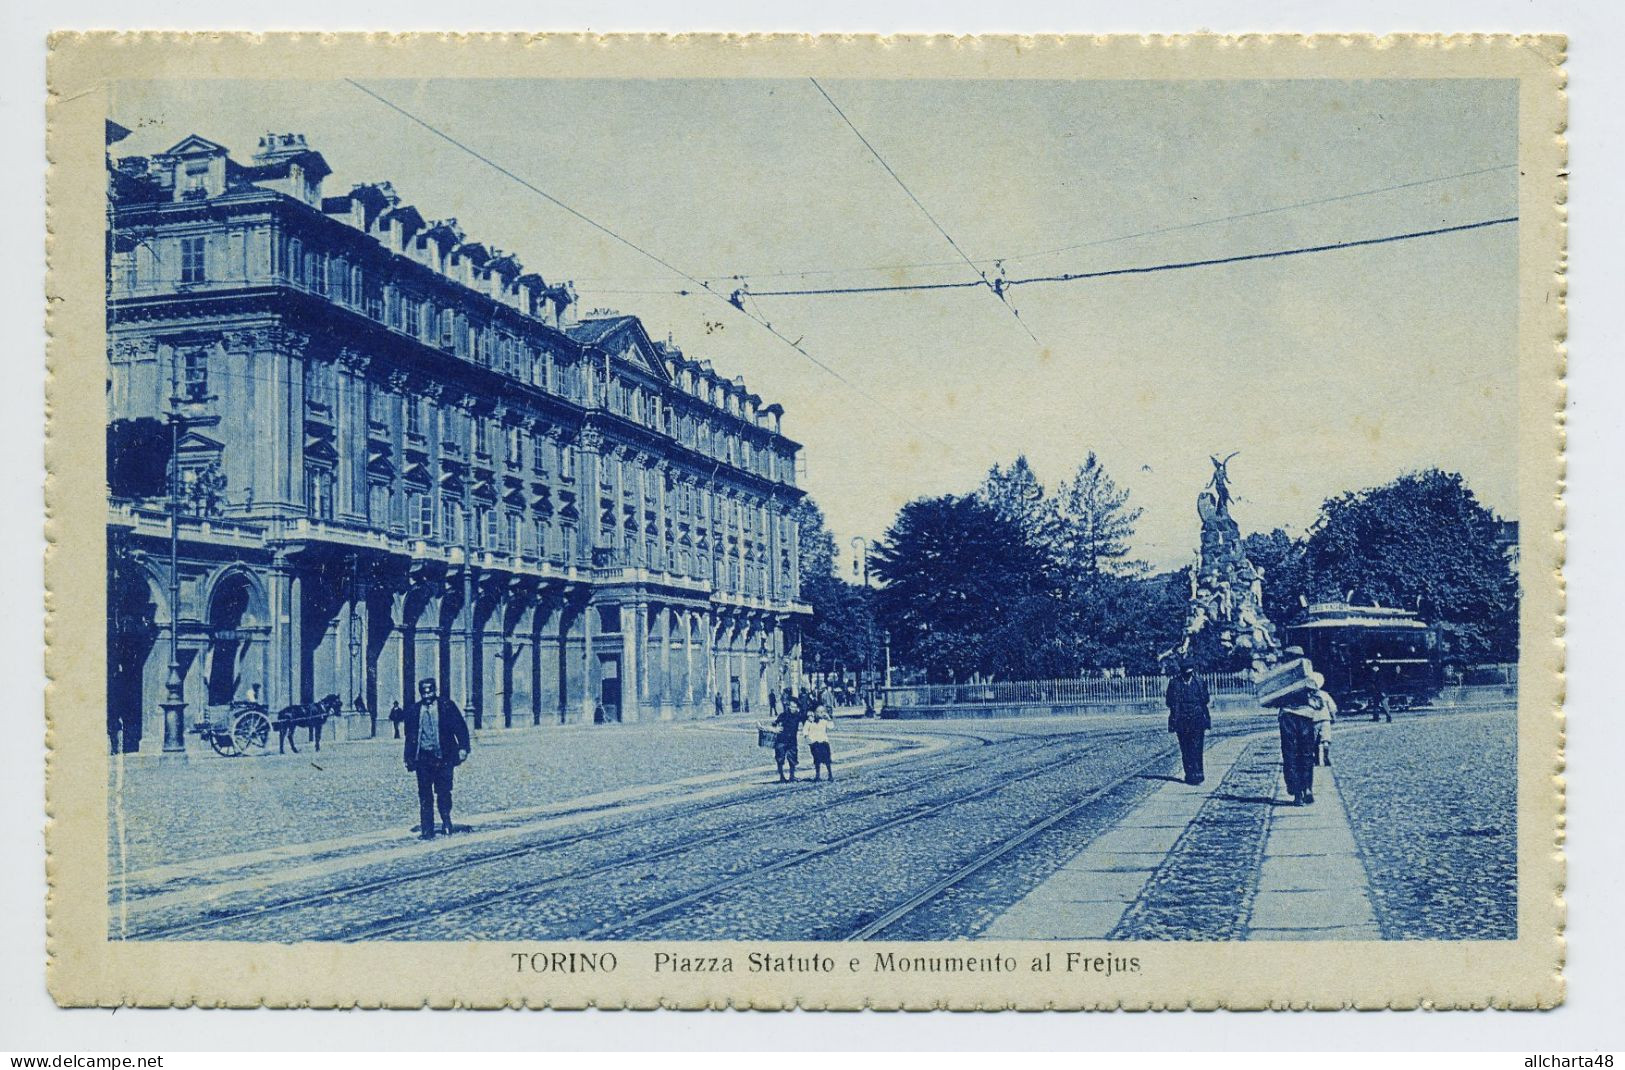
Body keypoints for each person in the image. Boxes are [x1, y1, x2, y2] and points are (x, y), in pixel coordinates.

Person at [403, 678, 471, 840]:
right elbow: (410, 735)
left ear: (435, 691)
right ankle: (427, 829)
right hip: (423, 759)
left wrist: (463, 748)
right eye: (424, 692)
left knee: (443, 792)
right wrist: (408, 756)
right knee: (424, 795)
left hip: (444, 757)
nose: (427, 695)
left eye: (430, 691)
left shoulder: (447, 706)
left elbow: (460, 728)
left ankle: (446, 821)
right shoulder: (414, 710)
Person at [1278, 677, 1336, 805]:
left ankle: (1296, 792)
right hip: (1306, 717)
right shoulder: (1306, 675)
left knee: (1290, 755)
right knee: (1306, 755)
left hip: (1287, 717)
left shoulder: (1282, 676)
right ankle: (1307, 788)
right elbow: (1318, 703)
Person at [1164, 661, 1211, 785]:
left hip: (1197, 719)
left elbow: (1206, 699)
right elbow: (1168, 701)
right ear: (1181, 672)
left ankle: (1199, 773)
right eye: (1186, 673)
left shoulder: (1199, 682)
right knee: (1185, 748)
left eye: (1190, 673)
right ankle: (1189, 774)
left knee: (1197, 747)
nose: (1188, 676)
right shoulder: (1174, 683)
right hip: (1181, 720)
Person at [771, 699, 805, 783]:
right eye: (792, 706)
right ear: (789, 707)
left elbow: (806, 717)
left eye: (795, 707)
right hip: (781, 740)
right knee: (780, 759)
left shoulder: (798, 716)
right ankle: (781, 776)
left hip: (792, 741)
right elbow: (775, 723)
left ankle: (792, 776)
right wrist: (776, 727)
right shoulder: (783, 715)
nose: (793, 708)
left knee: (792, 759)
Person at [805, 705, 835, 782]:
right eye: (818, 712)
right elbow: (805, 730)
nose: (820, 713)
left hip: (824, 742)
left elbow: (831, 727)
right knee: (817, 760)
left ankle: (830, 775)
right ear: (814, 712)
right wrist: (807, 738)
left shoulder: (824, 721)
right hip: (815, 743)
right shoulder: (809, 721)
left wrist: (828, 718)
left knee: (827, 759)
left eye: (822, 712)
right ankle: (817, 776)